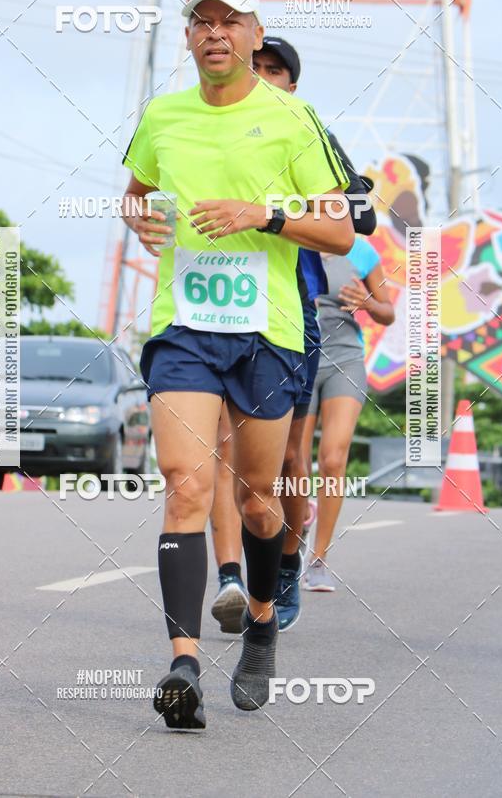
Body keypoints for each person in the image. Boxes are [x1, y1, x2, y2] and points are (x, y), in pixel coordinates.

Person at [122, 0, 353, 728]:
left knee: (258, 499)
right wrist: (139, 222)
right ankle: (183, 663)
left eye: (232, 20)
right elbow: (137, 190)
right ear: (189, 39)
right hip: (182, 325)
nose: (216, 32)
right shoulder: (163, 115)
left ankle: (259, 621)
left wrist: (265, 214)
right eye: (202, 21)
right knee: (187, 483)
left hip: (269, 331)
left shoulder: (294, 118)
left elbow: (341, 233)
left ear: (256, 35)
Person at [209, 36, 375, 632]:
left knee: (292, 459)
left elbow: (361, 216)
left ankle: (284, 564)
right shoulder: (208, 120)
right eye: (256, 67)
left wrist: (277, 210)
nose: (262, 76)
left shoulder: (307, 133)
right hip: (218, 312)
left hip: (289, 314)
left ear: (292, 85)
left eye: (274, 70)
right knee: (224, 453)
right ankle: (232, 577)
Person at [301, 240, 395, 591]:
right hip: (297, 358)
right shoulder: (292, 239)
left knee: (333, 457)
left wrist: (369, 304)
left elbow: (388, 312)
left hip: (346, 360)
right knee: (293, 460)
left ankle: (319, 560)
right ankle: (292, 535)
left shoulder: (361, 252)